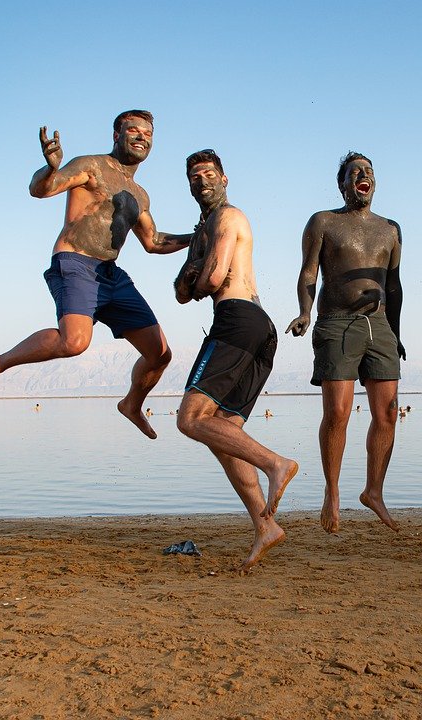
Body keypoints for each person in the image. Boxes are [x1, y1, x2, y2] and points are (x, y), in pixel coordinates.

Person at [0, 110, 190, 438]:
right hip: (76, 263)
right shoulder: (90, 165)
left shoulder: (139, 194)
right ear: (116, 136)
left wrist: (198, 236)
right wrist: (50, 167)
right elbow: (42, 189)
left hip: (111, 275)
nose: (141, 137)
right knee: (75, 342)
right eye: (133, 130)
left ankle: (132, 405)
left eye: (147, 133)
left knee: (159, 353)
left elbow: (154, 241)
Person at [174, 149, 298, 572]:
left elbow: (206, 280)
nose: (202, 181)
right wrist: (192, 269)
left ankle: (275, 463)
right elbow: (181, 290)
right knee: (223, 433)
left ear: (224, 179)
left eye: (209, 174)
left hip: (237, 318)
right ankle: (265, 527)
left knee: (189, 419)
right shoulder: (201, 230)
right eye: (194, 176)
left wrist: (195, 273)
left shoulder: (229, 218)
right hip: (256, 329)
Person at [286, 151, 405, 533]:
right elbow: (308, 272)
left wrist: (396, 332)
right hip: (336, 323)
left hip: (380, 326)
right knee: (337, 413)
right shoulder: (324, 221)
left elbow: (394, 284)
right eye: (355, 172)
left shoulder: (391, 229)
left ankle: (374, 491)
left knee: (387, 414)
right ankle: (332, 492)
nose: (362, 175)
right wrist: (305, 312)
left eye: (368, 170)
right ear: (343, 184)